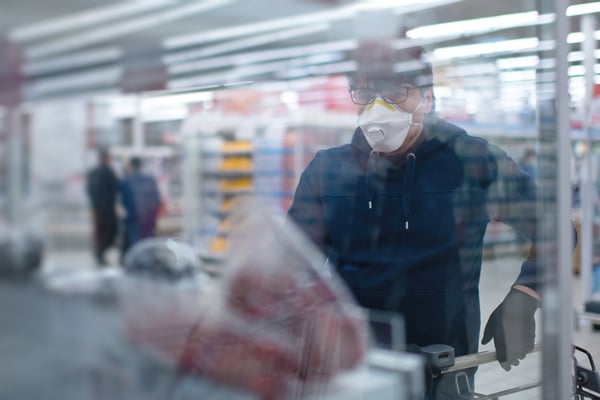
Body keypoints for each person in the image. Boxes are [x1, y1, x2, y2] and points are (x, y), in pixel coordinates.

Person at [288, 43, 542, 399]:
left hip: (445, 368)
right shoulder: (327, 171)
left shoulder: (470, 160)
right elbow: (291, 266)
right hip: (353, 367)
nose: (379, 107)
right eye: (365, 92)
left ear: (428, 98)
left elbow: (556, 225)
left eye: (396, 92)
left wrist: (526, 294)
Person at [120, 157, 162, 261]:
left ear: (131, 167)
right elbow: (157, 200)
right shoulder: (150, 180)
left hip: (134, 220)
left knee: (136, 248)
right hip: (149, 220)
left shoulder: (127, 181)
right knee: (149, 247)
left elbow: (124, 202)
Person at [86, 148, 120, 266]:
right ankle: (100, 251)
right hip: (107, 208)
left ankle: (99, 252)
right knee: (112, 231)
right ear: (105, 158)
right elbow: (116, 187)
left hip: (97, 208)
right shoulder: (108, 172)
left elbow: (89, 190)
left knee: (100, 232)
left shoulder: (92, 172)